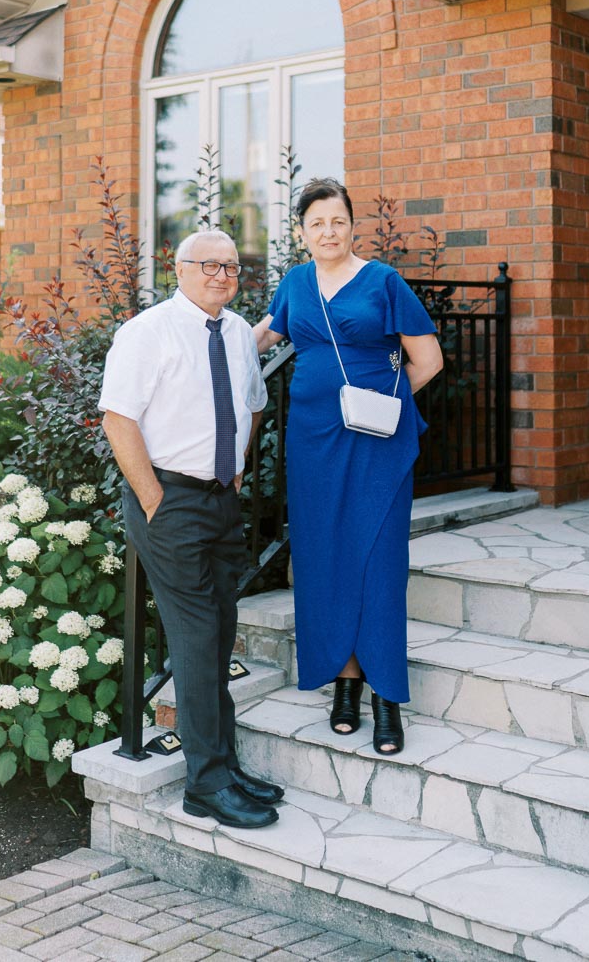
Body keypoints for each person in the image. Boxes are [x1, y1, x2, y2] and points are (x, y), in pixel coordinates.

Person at [99, 229, 283, 829]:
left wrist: (230, 473)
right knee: (198, 639)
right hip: (170, 504)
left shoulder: (236, 333)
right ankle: (204, 785)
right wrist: (154, 499)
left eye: (231, 267)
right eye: (209, 265)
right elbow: (118, 419)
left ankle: (223, 767)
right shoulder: (146, 332)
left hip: (220, 502)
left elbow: (253, 403)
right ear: (178, 269)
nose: (222, 276)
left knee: (220, 635)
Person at [254, 178, 443, 754]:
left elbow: (428, 360)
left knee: (379, 560)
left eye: (337, 221)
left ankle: (387, 696)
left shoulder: (383, 281)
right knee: (324, 558)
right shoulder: (295, 282)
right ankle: (345, 684)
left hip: (376, 443)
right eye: (316, 224)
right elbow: (262, 338)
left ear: (351, 225)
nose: (328, 232)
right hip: (313, 441)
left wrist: (384, 406)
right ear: (301, 233)